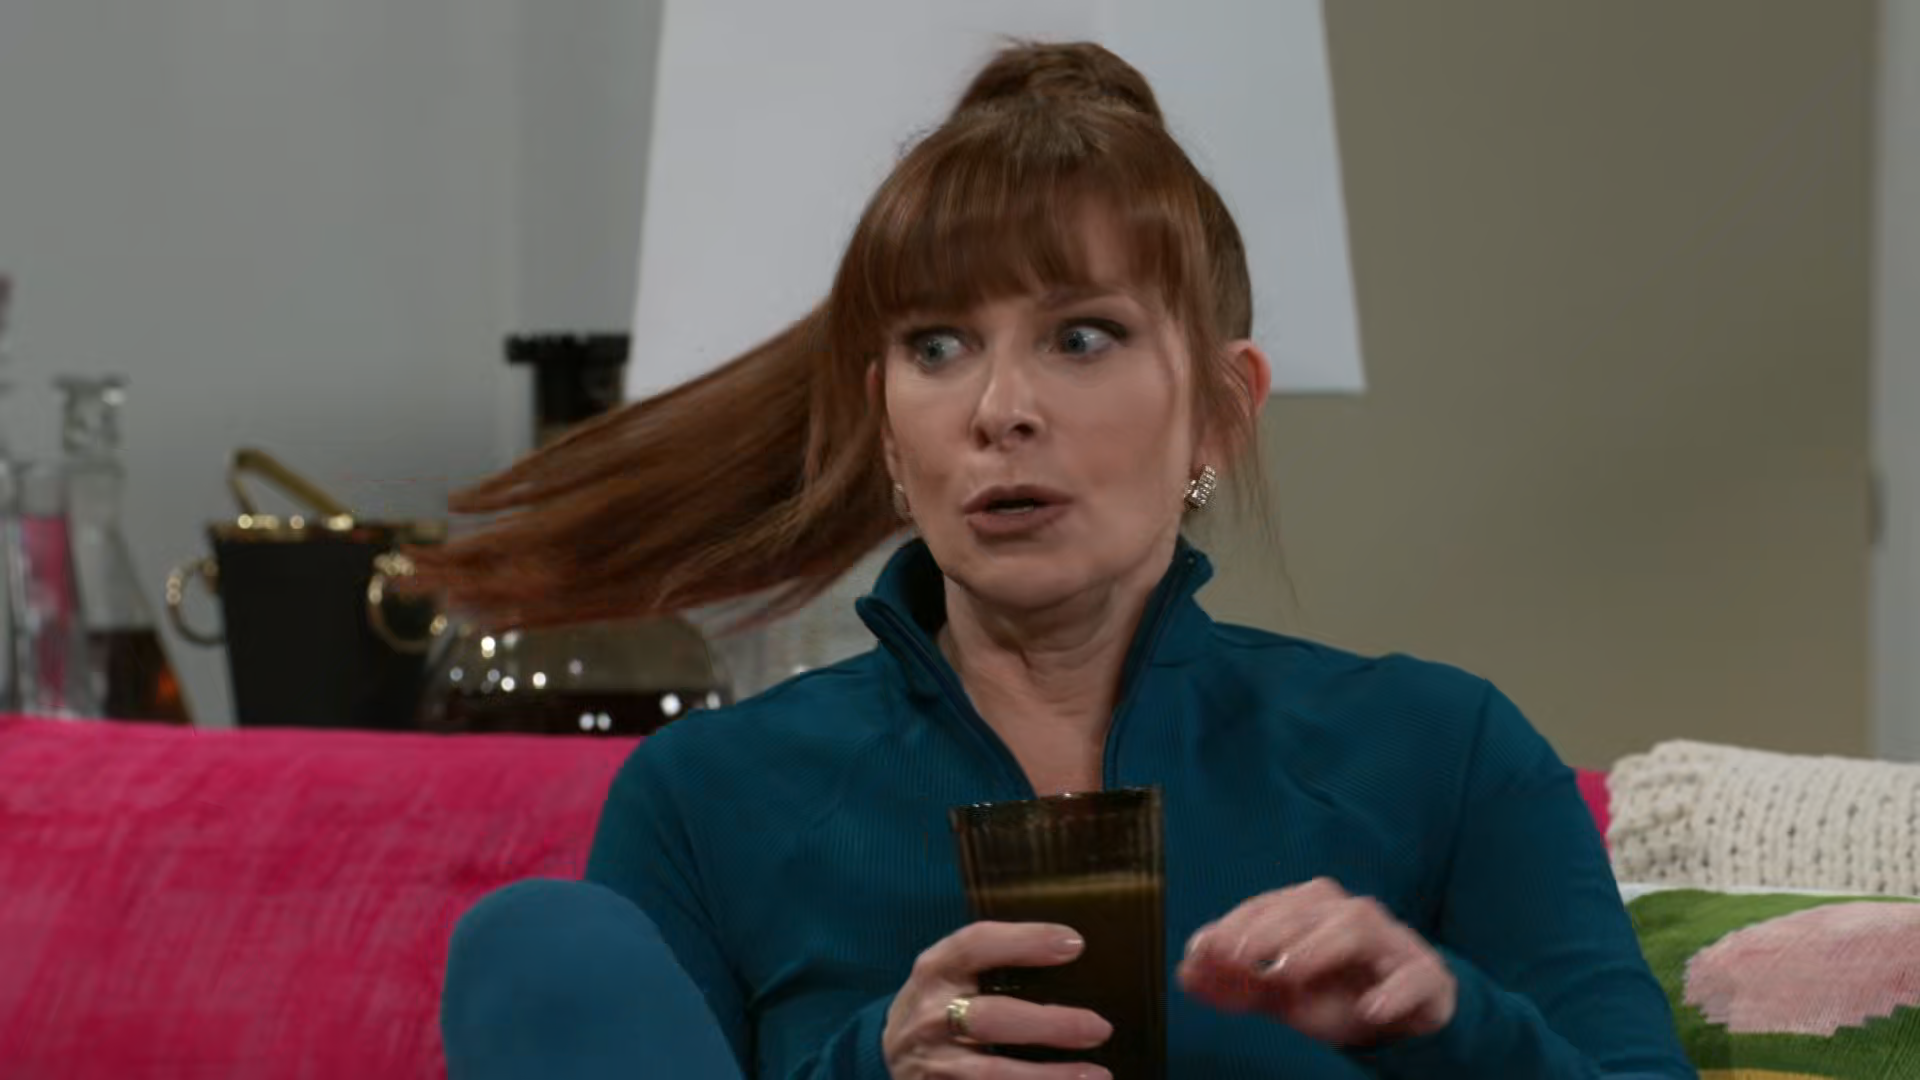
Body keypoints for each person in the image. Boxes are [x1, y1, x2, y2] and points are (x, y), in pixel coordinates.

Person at [434, 41, 1694, 1080]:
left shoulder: (1443, 753)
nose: (1000, 409)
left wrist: (1450, 1024)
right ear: (887, 430)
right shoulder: (708, 796)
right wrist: (872, 1066)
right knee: (533, 944)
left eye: (1081, 336)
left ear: (1220, 414)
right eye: (938, 347)